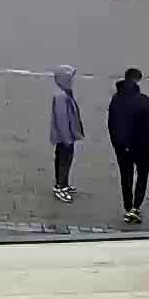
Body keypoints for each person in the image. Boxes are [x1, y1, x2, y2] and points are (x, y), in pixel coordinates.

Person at [107, 67, 149, 222]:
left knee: (125, 176)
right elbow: (148, 126)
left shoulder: (116, 99)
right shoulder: (143, 100)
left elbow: (111, 124)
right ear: (137, 81)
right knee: (142, 175)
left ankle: (128, 206)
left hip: (121, 146)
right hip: (141, 147)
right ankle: (136, 206)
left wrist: (116, 143)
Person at [49, 65, 84, 202]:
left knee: (64, 159)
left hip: (68, 135)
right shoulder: (61, 96)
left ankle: (63, 183)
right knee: (64, 160)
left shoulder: (64, 92)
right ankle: (60, 186)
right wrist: (66, 138)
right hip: (65, 137)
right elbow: (61, 118)